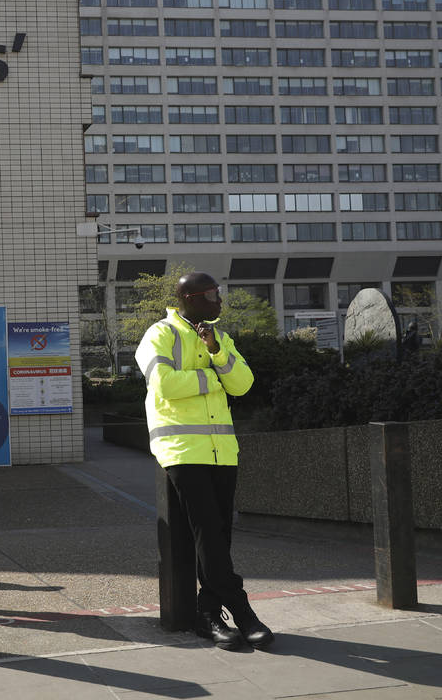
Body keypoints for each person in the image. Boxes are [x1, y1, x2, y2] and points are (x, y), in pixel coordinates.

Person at [134, 273, 274, 651]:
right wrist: (213, 379)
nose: (220, 300)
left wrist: (216, 354)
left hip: (222, 450)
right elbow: (164, 385)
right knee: (208, 533)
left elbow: (243, 383)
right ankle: (243, 612)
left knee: (220, 535)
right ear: (190, 298)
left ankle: (208, 614)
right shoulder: (159, 335)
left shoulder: (219, 338)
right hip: (182, 450)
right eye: (213, 294)